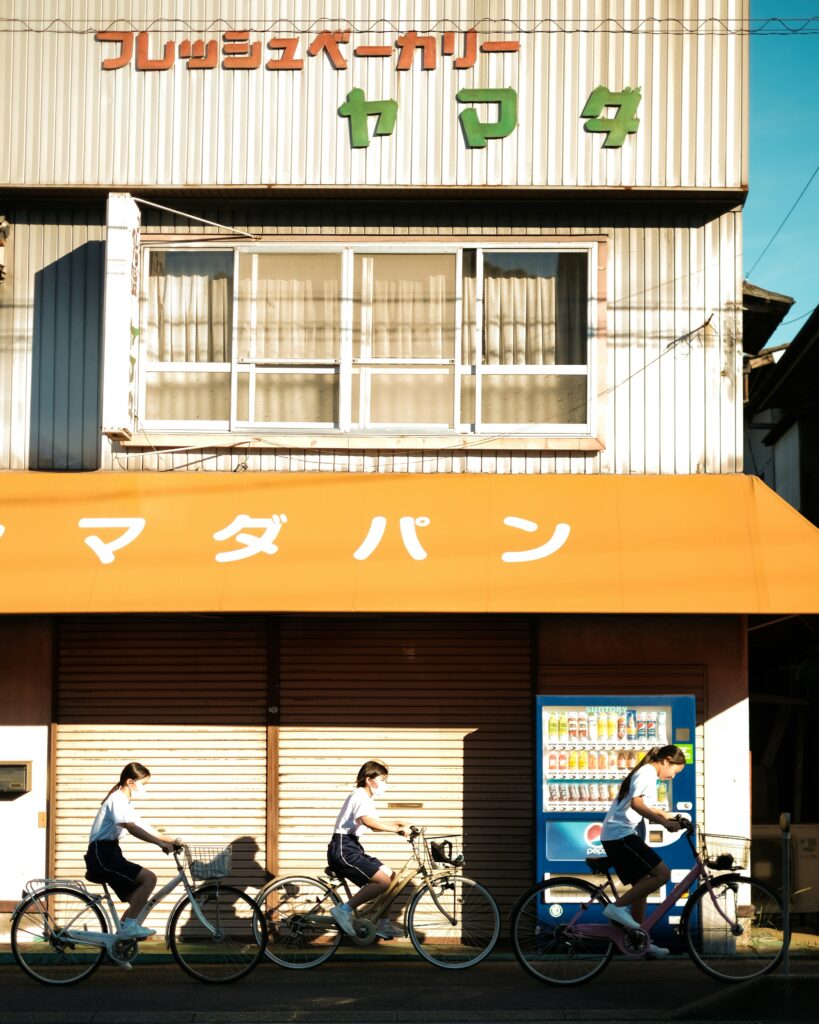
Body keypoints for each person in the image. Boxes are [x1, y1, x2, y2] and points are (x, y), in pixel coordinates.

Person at [600, 744, 687, 957]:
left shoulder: (646, 772)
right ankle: (617, 908)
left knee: (642, 885)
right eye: (675, 772)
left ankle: (640, 940)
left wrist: (667, 815)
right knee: (662, 874)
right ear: (666, 760)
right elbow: (637, 805)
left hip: (617, 835)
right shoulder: (648, 772)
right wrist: (664, 823)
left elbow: (641, 804)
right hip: (620, 835)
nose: (672, 777)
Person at [84, 762, 179, 940]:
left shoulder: (124, 802)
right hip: (103, 854)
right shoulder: (116, 799)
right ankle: (130, 927)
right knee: (149, 878)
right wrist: (159, 844)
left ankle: (120, 942)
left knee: (136, 898)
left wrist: (172, 841)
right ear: (130, 781)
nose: (143, 788)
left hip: (109, 852)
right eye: (143, 784)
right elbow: (132, 828)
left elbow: (145, 827)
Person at [327, 760, 410, 940]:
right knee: (382, 882)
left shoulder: (366, 798)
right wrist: (396, 828)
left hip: (352, 847)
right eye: (382, 779)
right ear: (369, 779)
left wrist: (398, 824)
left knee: (392, 878)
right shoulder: (360, 795)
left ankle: (383, 925)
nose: (384, 784)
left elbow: (375, 825)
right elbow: (368, 821)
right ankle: (343, 910)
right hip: (343, 848)